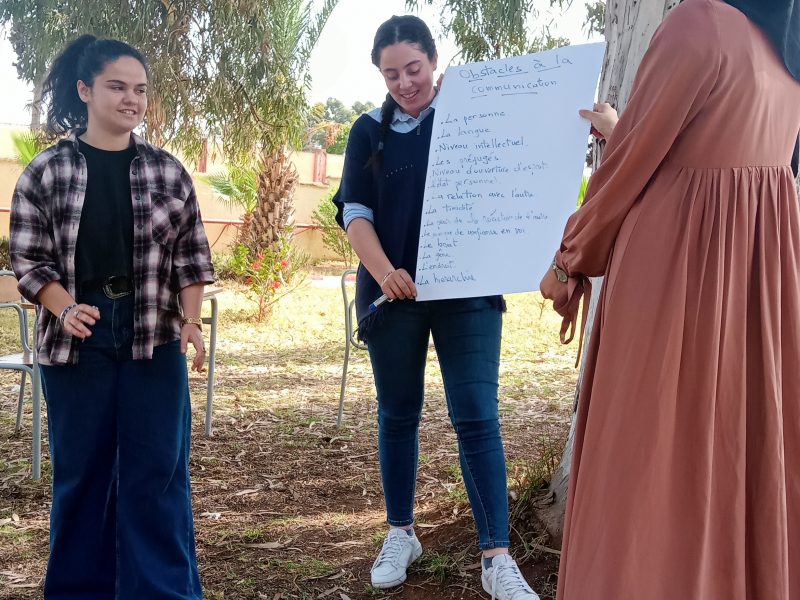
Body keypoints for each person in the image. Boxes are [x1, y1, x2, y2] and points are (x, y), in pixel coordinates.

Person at [539, 0, 800, 597]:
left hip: (677, 279)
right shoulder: (788, 50)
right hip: (755, 287)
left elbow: (633, 165)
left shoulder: (699, 23)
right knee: (732, 453)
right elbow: (716, 141)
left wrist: (568, 259)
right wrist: (625, 126)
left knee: (646, 457)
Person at [339, 15, 540, 600]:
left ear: (434, 60)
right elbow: (355, 212)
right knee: (397, 414)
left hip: (468, 297)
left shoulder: (471, 118)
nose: (404, 83)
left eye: (414, 69)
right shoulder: (367, 133)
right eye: (391, 74)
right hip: (392, 297)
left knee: (477, 414)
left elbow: (523, 162)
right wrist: (384, 273)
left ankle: (495, 558)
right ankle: (401, 532)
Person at [11, 35, 214, 599]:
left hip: (155, 337)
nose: (132, 99)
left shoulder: (168, 172)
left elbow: (191, 257)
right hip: (77, 345)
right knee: (83, 479)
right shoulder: (46, 172)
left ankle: (164, 592)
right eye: (118, 87)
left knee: (158, 478)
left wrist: (191, 323)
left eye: (141, 90)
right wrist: (64, 306)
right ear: (85, 90)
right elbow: (28, 259)